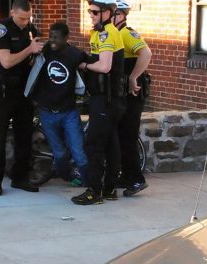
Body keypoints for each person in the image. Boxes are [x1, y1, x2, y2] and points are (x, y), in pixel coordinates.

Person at [71, 0, 126, 205]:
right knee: (111, 144)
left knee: (93, 143)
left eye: (95, 12)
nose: (91, 15)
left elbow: (104, 66)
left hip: (106, 99)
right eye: (89, 11)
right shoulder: (100, 32)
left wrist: (84, 64)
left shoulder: (107, 33)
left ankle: (94, 191)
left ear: (108, 13)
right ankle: (110, 189)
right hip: (106, 99)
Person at [0, 0, 44, 196]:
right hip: (4, 90)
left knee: (24, 135)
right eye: (21, 18)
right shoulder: (2, 29)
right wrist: (29, 49)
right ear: (12, 12)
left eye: (28, 18)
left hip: (24, 90)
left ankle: (20, 177)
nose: (24, 22)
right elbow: (6, 61)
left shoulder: (30, 28)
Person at [26, 22, 89, 187]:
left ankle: (91, 184)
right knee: (59, 153)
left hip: (68, 112)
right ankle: (68, 177)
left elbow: (91, 64)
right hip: (46, 112)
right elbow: (30, 62)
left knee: (78, 152)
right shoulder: (45, 50)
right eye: (51, 36)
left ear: (66, 38)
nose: (52, 40)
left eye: (57, 37)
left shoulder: (75, 54)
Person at [113, 0, 152, 196]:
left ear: (120, 15)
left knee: (128, 136)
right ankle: (127, 176)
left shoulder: (126, 33)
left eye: (111, 12)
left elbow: (146, 52)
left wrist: (133, 76)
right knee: (121, 135)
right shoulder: (114, 33)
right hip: (122, 92)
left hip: (133, 93)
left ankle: (137, 179)